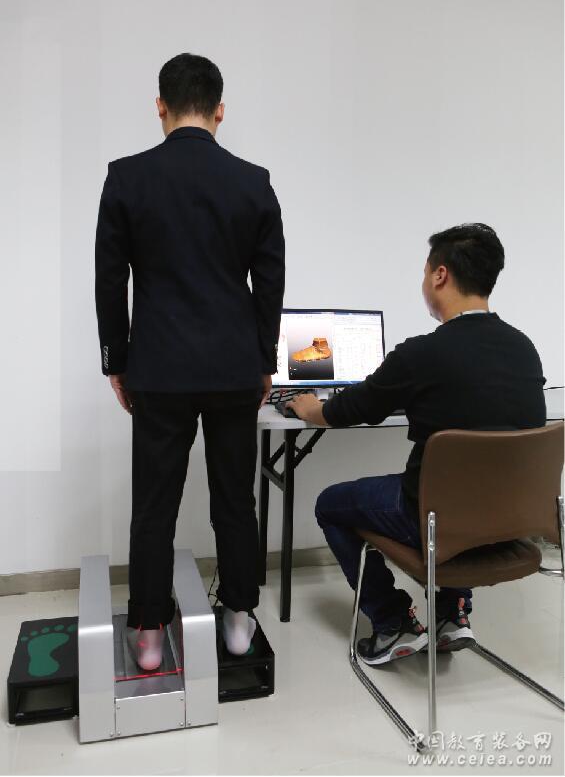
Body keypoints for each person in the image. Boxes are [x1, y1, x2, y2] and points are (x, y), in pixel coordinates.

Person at [95, 53, 285, 670]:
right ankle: (238, 620)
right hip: (234, 370)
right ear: (220, 110)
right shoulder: (253, 182)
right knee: (235, 500)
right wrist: (263, 360)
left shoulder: (126, 177)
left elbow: (110, 280)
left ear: (160, 106)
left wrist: (116, 360)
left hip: (158, 368)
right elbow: (270, 282)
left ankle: (149, 634)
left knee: (154, 504)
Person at [288, 223, 546, 666]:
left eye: (425, 272)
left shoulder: (421, 354)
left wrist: (310, 408)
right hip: (508, 522)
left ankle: (393, 623)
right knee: (465, 488)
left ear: (440, 275)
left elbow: (347, 410)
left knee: (330, 504)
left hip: (433, 521)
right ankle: (452, 614)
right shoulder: (525, 349)